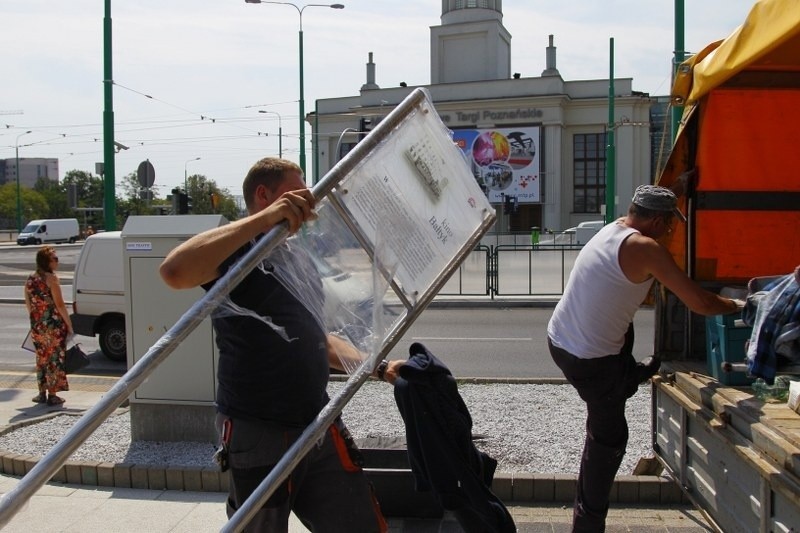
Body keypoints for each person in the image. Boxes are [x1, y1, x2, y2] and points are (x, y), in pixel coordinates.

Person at [159, 157, 402, 533]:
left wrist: (379, 365)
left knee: (361, 523)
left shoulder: (298, 261)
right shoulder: (239, 251)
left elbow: (318, 338)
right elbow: (174, 271)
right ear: (264, 195)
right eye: (297, 193)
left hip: (317, 420)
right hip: (258, 428)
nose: (309, 203)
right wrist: (264, 220)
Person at [547, 184, 742, 532]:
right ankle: (587, 524)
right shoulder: (646, 249)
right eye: (669, 225)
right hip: (590, 361)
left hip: (560, 339)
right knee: (608, 438)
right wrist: (742, 306)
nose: (671, 232)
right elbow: (700, 303)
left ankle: (627, 375)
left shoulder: (614, 228)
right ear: (655, 220)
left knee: (624, 334)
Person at [24, 246, 73, 406]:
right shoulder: (52, 279)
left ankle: (41, 392)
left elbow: (28, 304)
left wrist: (38, 319)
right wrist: (69, 325)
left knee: (41, 358)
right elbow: (59, 304)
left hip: (38, 325)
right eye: (55, 259)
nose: (57, 262)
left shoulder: (31, 279)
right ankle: (53, 395)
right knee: (54, 359)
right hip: (53, 325)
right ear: (47, 262)